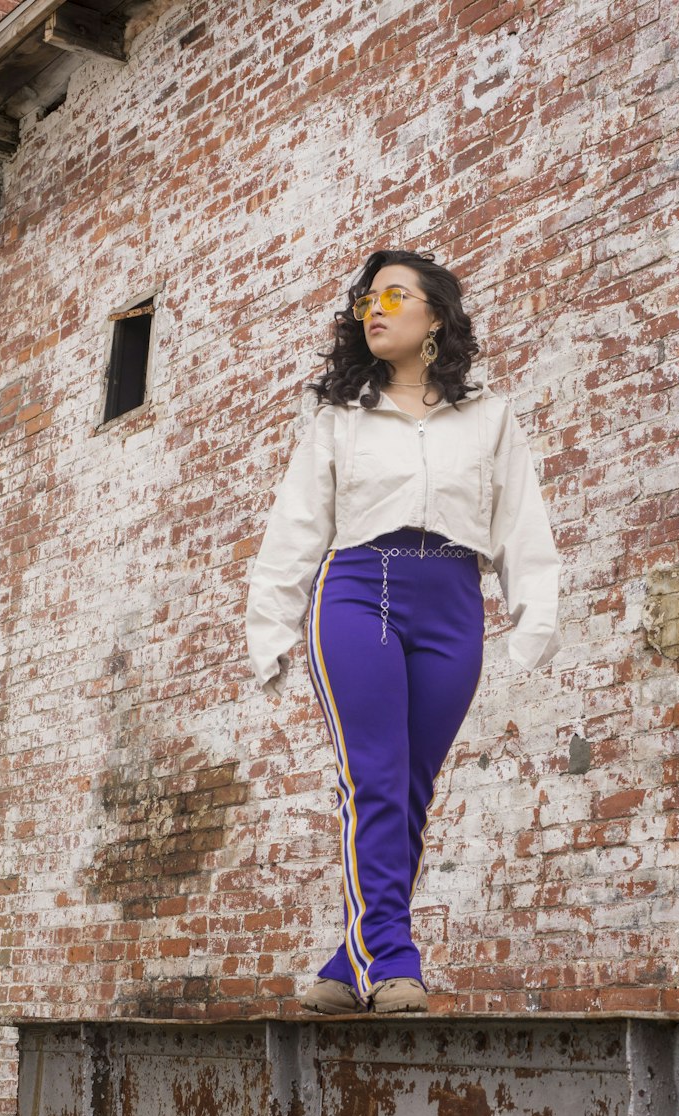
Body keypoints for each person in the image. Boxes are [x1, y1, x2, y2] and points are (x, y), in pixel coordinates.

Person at [245, 248, 561, 1016]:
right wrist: (272, 627)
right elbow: (295, 526)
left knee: (409, 792)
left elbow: (522, 521)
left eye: (393, 296)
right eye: (365, 302)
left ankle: (347, 958)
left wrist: (532, 623)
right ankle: (393, 958)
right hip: (362, 592)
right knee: (375, 779)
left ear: (436, 318)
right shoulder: (339, 421)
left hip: (454, 599)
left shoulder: (489, 414)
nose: (374, 310)